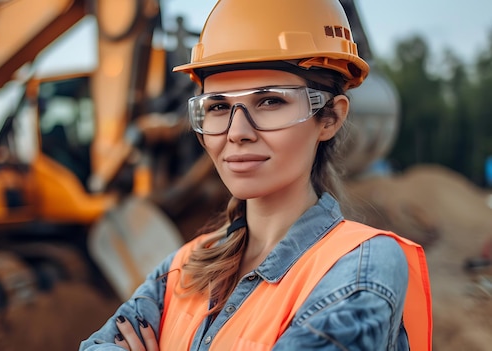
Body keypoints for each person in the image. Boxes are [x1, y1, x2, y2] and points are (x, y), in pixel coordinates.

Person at [80, 0, 433, 349]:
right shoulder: (184, 266)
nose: (236, 133)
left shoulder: (360, 266)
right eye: (218, 106)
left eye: (269, 102)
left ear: (330, 118)